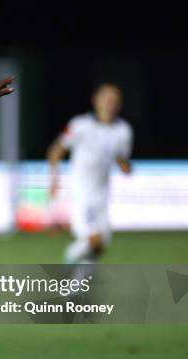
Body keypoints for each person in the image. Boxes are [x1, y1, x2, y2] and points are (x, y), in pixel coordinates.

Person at [47, 83, 133, 266]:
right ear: (96, 101)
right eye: (107, 99)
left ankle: (75, 290)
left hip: (103, 195)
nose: (111, 103)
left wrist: (126, 166)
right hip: (82, 193)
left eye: (115, 100)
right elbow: (55, 151)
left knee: (98, 248)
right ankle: (66, 264)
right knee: (93, 241)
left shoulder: (123, 131)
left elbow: (121, 158)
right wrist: (54, 179)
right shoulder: (80, 125)